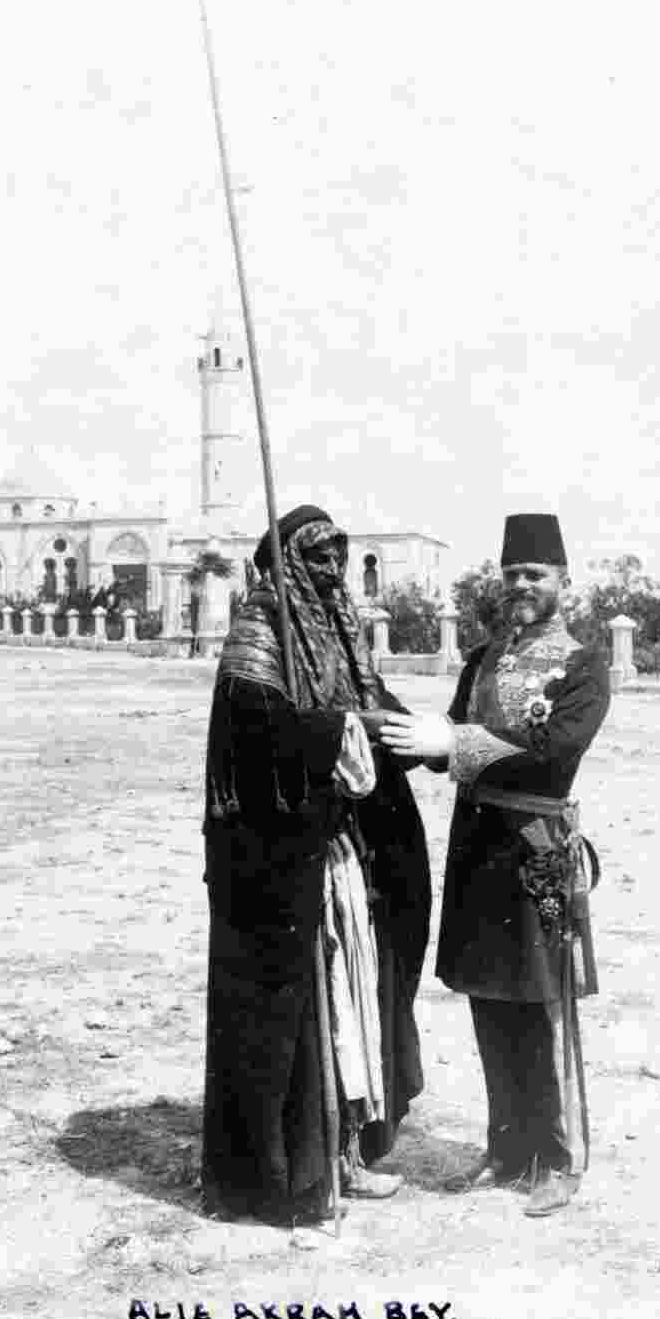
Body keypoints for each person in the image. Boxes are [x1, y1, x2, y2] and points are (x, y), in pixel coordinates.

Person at [200, 504, 431, 1227]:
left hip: (339, 846)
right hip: (279, 855)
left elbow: (372, 703)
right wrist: (333, 732)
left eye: (339, 555)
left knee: (351, 997)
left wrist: (413, 733)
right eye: (317, 557)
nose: (332, 570)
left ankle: (345, 1154)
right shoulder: (259, 628)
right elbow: (255, 728)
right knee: (298, 1010)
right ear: (285, 562)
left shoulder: (336, 627)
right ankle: (288, 1176)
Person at [380, 512, 610, 1218]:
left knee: (543, 1003)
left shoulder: (583, 663)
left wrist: (455, 742)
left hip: (540, 852)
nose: (521, 585)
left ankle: (558, 1158)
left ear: (562, 582)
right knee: (488, 995)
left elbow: (553, 749)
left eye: (535, 573)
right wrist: (385, 723)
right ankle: (506, 1146)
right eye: (512, 573)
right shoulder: (480, 659)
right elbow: (442, 737)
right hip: (479, 849)